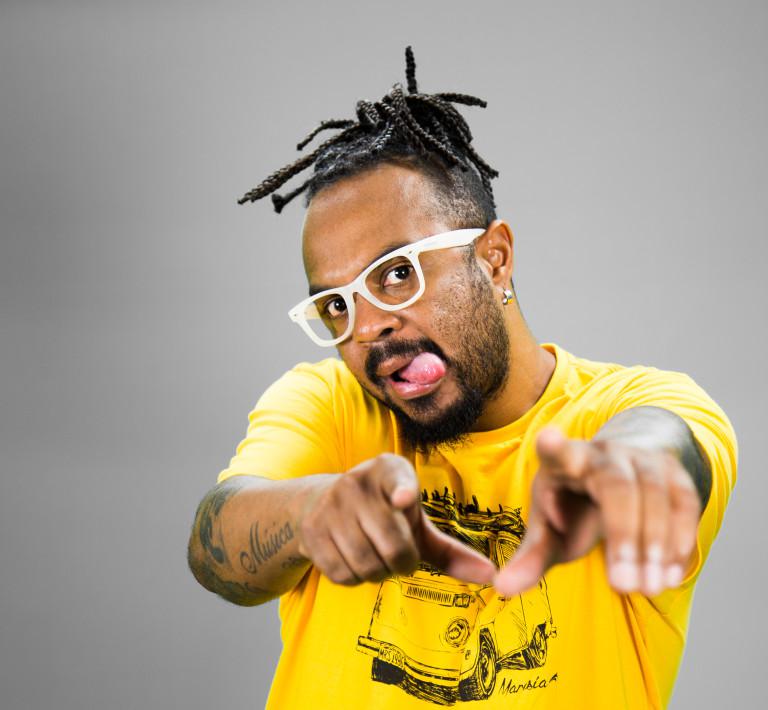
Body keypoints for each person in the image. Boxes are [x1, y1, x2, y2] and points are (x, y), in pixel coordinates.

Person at [187, 47, 737, 709]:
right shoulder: (331, 405)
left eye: (397, 273)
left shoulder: (628, 404)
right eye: (336, 305)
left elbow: (663, 441)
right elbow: (215, 545)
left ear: (494, 258)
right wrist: (311, 513)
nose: (367, 328)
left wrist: (618, 472)